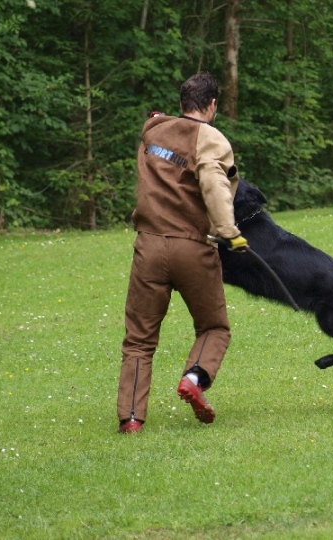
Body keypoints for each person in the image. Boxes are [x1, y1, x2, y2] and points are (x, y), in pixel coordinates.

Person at [117, 72, 247, 433]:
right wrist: (228, 232)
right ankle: (194, 377)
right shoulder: (211, 139)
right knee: (214, 327)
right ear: (213, 105)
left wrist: (159, 119)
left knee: (139, 340)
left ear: (181, 103)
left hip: (148, 245)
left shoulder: (153, 132)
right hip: (192, 246)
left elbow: (154, 125)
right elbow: (214, 182)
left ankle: (130, 419)